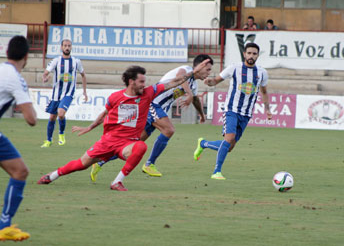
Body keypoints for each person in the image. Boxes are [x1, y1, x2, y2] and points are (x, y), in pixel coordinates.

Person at [37, 59, 210, 191]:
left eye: (145, 81)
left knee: (140, 146)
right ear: (131, 82)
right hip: (108, 142)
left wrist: (193, 72)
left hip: (126, 144)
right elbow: (103, 114)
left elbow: (174, 82)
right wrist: (89, 127)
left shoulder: (148, 93)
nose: (145, 84)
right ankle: (51, 176)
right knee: (81, 164)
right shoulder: (115, 97)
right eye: (141, 82)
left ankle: (117, 181)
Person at [88, 54, 213, 181]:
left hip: (157, 110)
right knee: (169, 130)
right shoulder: (185, 69)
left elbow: (196, 100)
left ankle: (100, 162)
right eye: (207, 69)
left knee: (132, 145)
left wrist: (202, 115)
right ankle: (149, 164)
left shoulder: (194, 86)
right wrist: (189, 93)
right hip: (153, 103)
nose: (209, 73)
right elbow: (179, 77)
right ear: (199, 66)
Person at [193, 43, 272, 180]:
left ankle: (203, 143)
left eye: (254, 53)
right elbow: (216, 81)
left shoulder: (262, 73)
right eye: (249, 53)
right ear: (244, 54)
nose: (251, 56)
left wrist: (267, 110)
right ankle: (217, 171)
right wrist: (209, 82)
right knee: (228, 139)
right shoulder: (234, 68)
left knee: (229, 147)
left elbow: (264, 92)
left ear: (258, 55)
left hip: (246, 114)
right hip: (231, 110)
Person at [0, 36, 37, 241]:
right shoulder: (15, 78)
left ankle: (4, 226)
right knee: (20, 171)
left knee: (19, 171)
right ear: (26, 56)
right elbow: (31, 119)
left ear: (7, 53)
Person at [40, 39, 87, 148]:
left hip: (68, 93)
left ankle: (61, 134)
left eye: (69, 46)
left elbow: (83, 75)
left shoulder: (76, 61)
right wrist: (45, 78)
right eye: (65, 45)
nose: (67, 47)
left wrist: (84, 92)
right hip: (56, 94)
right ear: (61, 47)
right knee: (52, 117)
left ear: (71, 47)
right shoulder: (56, 61)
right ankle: (49, 140)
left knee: (61, 114)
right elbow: (45, 73)